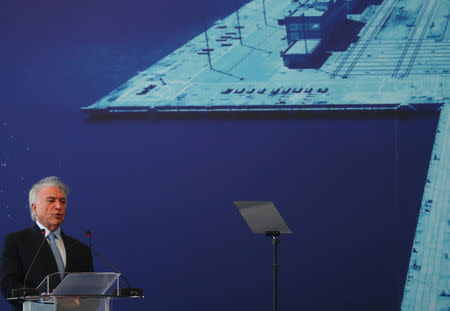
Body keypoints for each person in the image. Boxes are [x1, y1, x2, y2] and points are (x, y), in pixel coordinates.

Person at [0, 176, 94, 310]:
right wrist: (47, 301)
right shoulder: (16, 242)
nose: (58, 206)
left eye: (62, 201)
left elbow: (93, 292)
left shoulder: (80, 249)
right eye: (51, 201)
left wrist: (81, 302)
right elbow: (9, 287)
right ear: (34, 208)